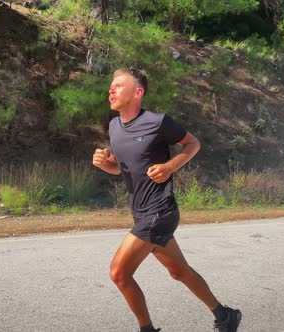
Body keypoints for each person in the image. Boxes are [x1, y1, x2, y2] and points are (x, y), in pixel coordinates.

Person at [92, 68, 241, 332]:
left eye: (118, 86)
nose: (111, 90)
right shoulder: (114, 126)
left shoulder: (158, 122)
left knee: (119, 273)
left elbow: (192, 144)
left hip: (159, 211)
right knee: (179, 272)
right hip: (140, 211)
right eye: (110, 86)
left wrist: (170, 166)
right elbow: (120, 167)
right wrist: (106, 164)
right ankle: (225, 316)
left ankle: (147, 330)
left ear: (138, 93)